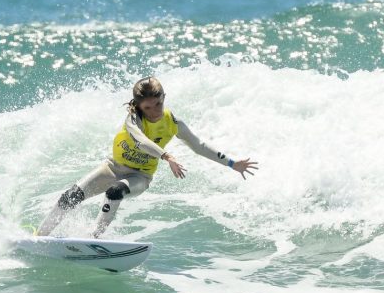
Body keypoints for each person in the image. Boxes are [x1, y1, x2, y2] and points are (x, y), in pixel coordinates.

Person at [36, 77, 258, 238]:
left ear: (164, 97)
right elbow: (141, 140)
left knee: (115, 191)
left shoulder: (174, 123)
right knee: (70, 196)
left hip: (139, 177)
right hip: (113, 167)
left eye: (159, 103)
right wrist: (166, 155)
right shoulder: (133, 119)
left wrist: (232, 163)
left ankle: (94, 238)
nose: (155, 111)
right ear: (138, 106)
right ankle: (39, 237)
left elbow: (199, 146)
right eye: (148, 107)